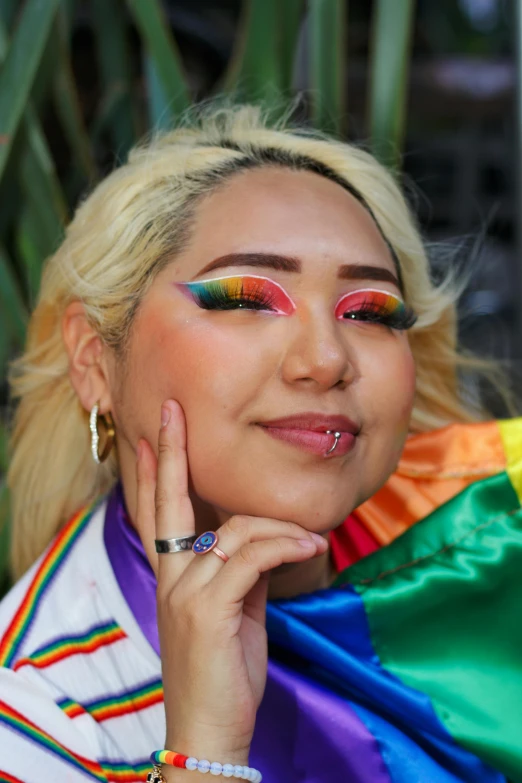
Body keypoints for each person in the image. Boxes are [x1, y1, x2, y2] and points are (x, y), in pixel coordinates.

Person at [0, 103, 520, 783]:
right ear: (96, 360)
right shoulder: (34, 713)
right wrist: (204, 750)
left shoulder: (484, 528)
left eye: (370, 311)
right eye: (245, 298)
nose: (326, 358)